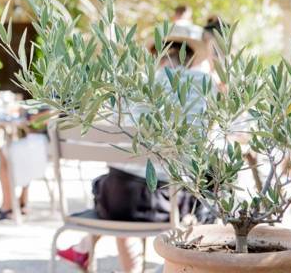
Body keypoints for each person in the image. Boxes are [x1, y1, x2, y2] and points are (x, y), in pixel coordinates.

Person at [56, 41, 214, 272]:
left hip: (118, 204)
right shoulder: (204, 84)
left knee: (124, 179)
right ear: (189, 60)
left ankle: (91, 251)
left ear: (156, 58)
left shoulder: (137, 83)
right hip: (167, 207)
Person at [0, 107, 52, 221]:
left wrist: (29, 117)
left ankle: (7, 205)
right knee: (18, 151)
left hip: (44, 144)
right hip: (45, 142)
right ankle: (22, 201)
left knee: (4, 150)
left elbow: (50, 114)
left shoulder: (60, 98)